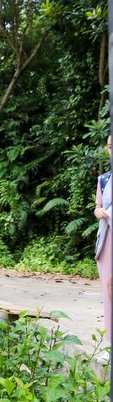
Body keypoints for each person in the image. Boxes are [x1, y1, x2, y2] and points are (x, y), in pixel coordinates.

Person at [94, 135, 112, 342]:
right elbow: (98, 206)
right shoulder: (104, 179)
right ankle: (109, 342)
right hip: (107, 239)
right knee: (109, 291)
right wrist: (98, 211)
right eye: (110, 146)